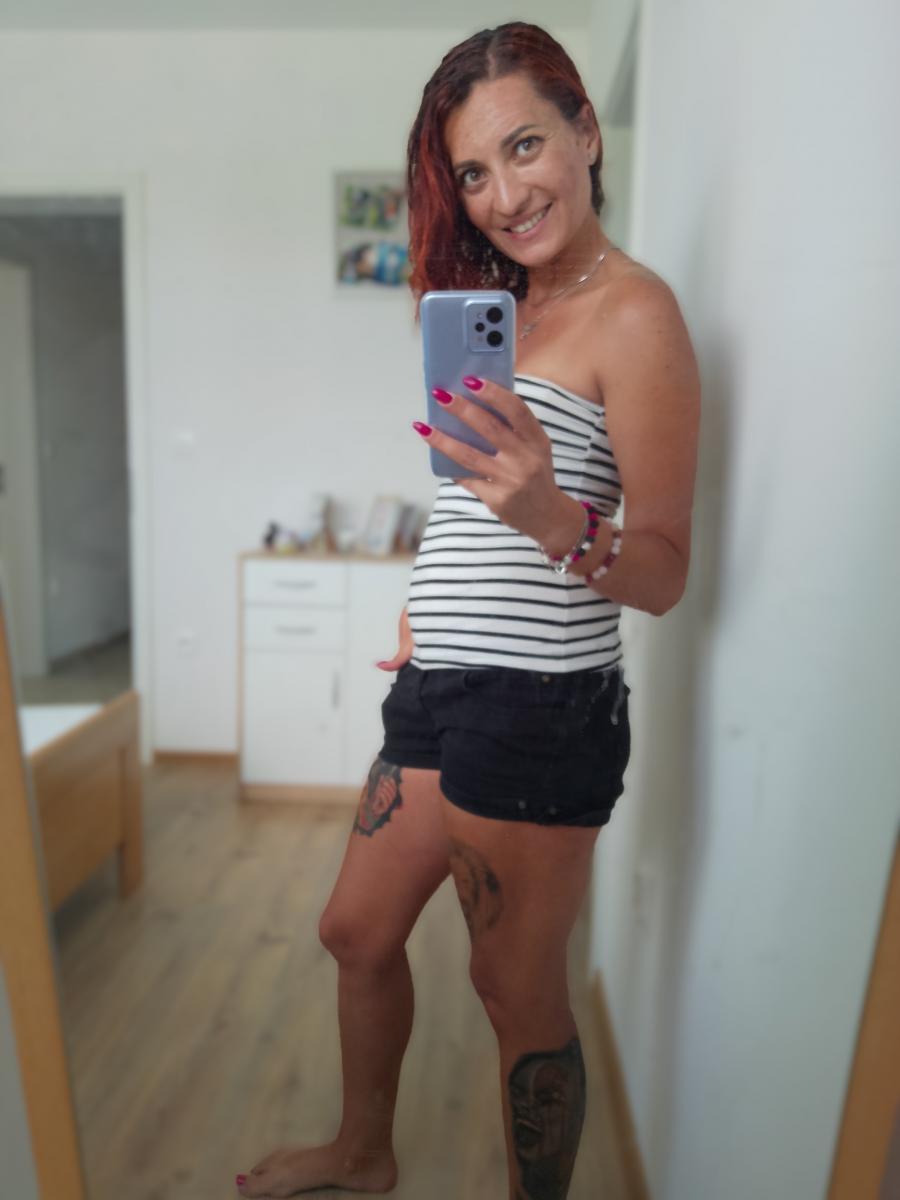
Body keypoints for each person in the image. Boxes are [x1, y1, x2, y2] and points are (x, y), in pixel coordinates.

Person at [237, 20, 699, 1200]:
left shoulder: (637, 315)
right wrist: (429, 607)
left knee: (513, 991)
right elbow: (468, 506)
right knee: (353, 932)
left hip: (543, 706)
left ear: (587, 132)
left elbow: (662, 569)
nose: (503, 194)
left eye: (525, 146)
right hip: (438, 684)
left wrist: (554, 517)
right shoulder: (500, 309)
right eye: (474, 173)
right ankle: (364, 1153)